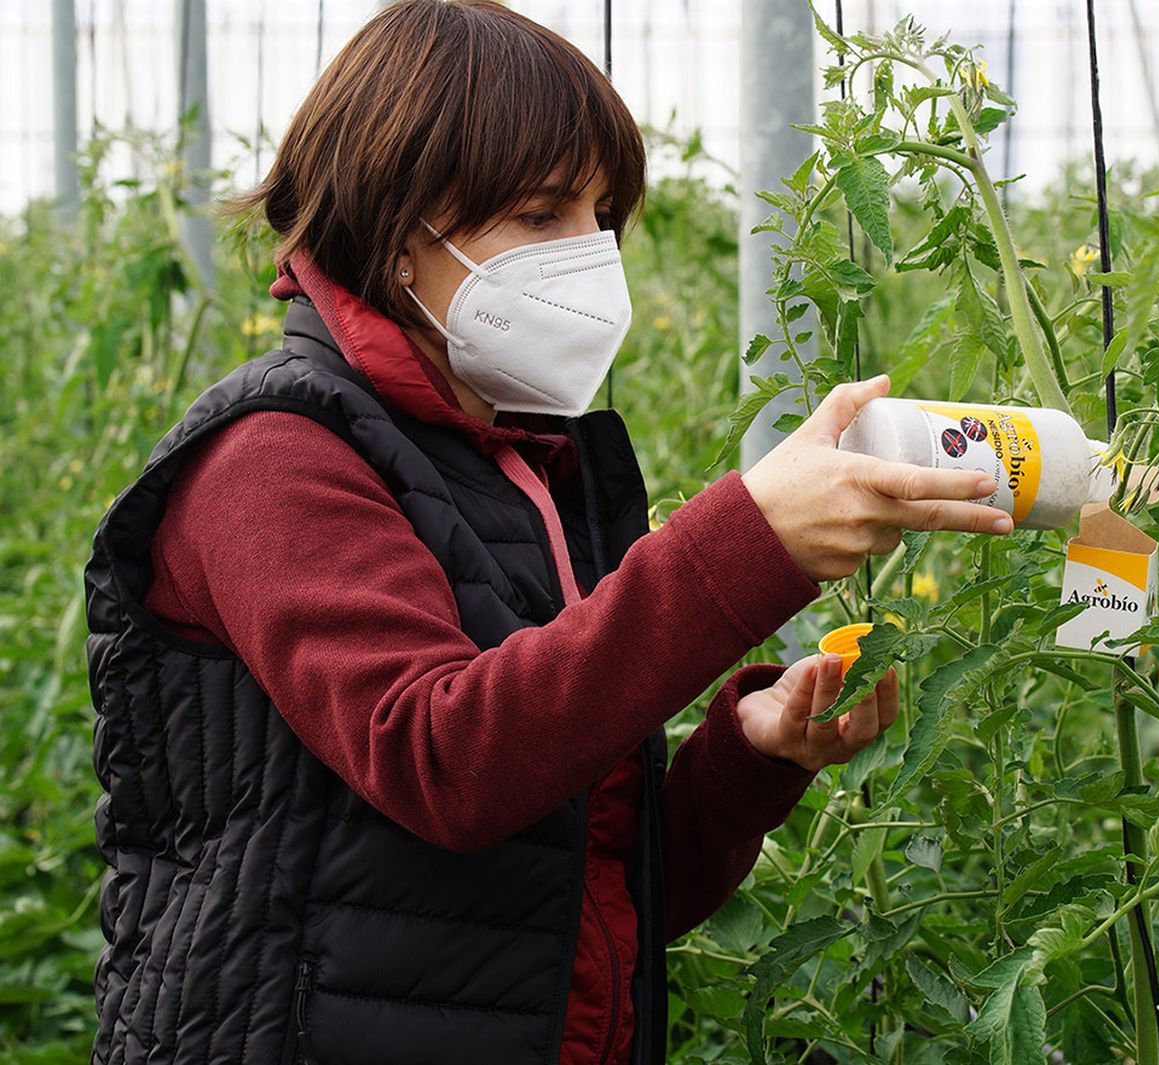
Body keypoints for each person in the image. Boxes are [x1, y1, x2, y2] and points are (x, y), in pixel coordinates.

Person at [81, 3, 1015, 1063]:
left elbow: (583, 893)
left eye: (601, 217)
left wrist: (745, 758)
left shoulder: (523, 468)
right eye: (539, 216)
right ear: (397, 230)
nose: (590, 258)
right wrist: (747, 540)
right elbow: (443, 760)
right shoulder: (273, 461)